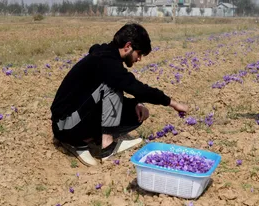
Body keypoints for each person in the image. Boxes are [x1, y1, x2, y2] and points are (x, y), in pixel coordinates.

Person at [51, 23, 188, 166]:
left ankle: (91, 138)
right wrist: (173, 103)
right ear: (128, 46)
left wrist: (136, 103)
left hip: (77, 114)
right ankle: (100, 145)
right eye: (139, 53)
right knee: (111, 87)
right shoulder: (105, 61)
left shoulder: (107, 57)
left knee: (135, 113)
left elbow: (99, 97)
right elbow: (136, 88)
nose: (139, 58)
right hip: (64, 125)